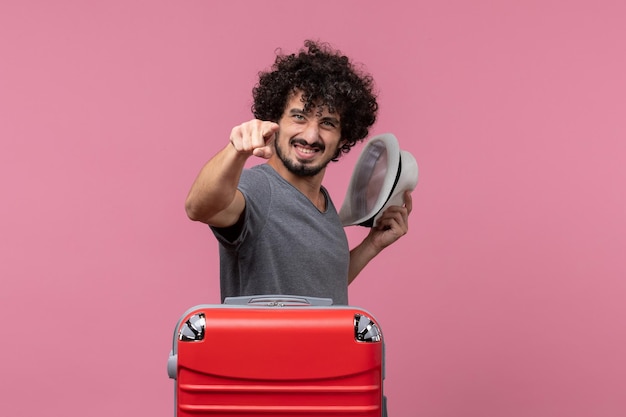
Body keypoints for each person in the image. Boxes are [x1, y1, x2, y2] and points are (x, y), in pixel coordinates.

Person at [185, 40, 412, 305]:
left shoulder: (325, 206)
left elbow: (319, 287)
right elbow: (198, 208)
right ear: (275, 121)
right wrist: (235, 150)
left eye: (327, 123)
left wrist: (372, 245)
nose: (311, 135)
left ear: (343, 137)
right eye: (299, 117)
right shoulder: (259, 190)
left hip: (326, 348)